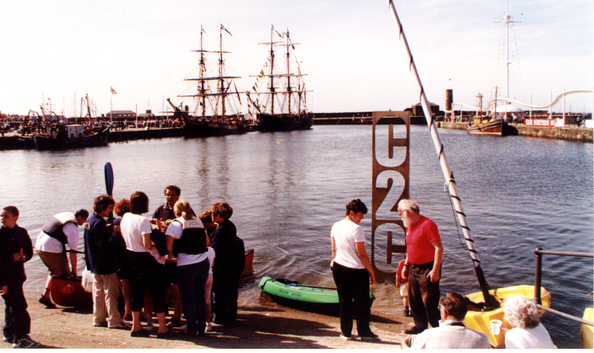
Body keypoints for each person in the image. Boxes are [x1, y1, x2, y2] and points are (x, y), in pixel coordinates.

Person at [120, 192, 169, 337]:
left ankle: (136, 326)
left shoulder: (125, 217)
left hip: (131, 255)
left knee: (137, 292)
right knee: (157, 292)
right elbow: (147, 244)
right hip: (145, 259)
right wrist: (157, 243)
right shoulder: (143, 221)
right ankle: (161, 327)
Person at [330, 199, 378, 341]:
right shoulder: (357, 229)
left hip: (338, 266)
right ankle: (364, 332)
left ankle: (346, 333)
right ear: (352, 213)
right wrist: (372, 272)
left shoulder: (335, 225)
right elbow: (362, 254)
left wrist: (334, 262)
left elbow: (334, 249)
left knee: (344, 301)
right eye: (360, 215)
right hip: (356, 270)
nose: (362, 218)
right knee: (361, 302)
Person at [84, 195, 130, 329]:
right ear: (102, 207)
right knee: (111, 292)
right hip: (106, 264)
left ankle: (98, 318)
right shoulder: (99, 223)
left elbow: (92, 241)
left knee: (98, 291)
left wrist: (107, 229)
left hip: (95, 264)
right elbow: (104, 245)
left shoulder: (90, 220)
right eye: (110, 208)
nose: (111, 211)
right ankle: (114, 319)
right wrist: (115, 233)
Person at [398, 199, 443, 335]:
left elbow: (439, 248)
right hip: (413, 266)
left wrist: (435, 270)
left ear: (407, 212)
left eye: (400, 213)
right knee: (414, 298)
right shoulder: (409, 225)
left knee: (429, 301)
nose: (399, 216)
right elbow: (410, 247)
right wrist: (406, 265)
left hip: (428, 268)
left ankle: (437, 328)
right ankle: (420, 326)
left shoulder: (428, 225)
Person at [165, 200, 210, 336]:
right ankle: (201, 328)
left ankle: (191, 328)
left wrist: (176, 254)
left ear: (175, 211)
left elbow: (168, 248)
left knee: (188, 297)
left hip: (186, 265)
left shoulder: (175, 224)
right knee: (200, 295)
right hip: (203, 263)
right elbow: (207, 242)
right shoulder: (199, 222)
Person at [0, 206, 40, 348]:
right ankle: (20, 338)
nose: (2, 219)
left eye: (5, 216)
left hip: (17, 276)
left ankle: (9, 333)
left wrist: (23, 257)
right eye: (2, 216)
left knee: (11, 305)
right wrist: (2, 283)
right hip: (5, 278)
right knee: (18, 306)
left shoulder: (21, 232)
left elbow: (29, 250)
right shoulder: (0, 234)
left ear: (15, 218)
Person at [35, 209, 89, 308]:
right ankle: (66, 298)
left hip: (39, 244)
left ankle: (46, 295)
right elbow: (73, 252)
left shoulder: (66, 215)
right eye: (84, 219)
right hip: (50, 247)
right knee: (64, 275)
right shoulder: (73, 228)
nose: (85, 221)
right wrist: (74, 271)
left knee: (54, 271)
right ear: (80, 217)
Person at [401, 292, 491, 349]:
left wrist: (404, 344)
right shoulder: (482, 339)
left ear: (444, 312)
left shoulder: (427, 336)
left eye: (439, 308)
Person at [151, 185, 183, 328]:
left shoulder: (183, 210)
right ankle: (163, 311)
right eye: (167, 195)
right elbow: (152, 223)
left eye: (172, 195)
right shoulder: (160, 210)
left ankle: (177, 317)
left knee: (176, 289)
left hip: (177, 253)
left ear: (178, 196)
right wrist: (159, 226)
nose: (169, 197)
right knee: (166, 286)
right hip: (164, 253)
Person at [209, 202, 243, 325]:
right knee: (231, 294)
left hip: (222, 267)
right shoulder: (230, 226)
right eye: (211, 213)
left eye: (215, 214)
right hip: (231, 266)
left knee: (220, 293)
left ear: (223, 215)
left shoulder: (220, 230)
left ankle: (221, 318)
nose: (212, 216)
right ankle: (230, 317)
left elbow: (214, 249)